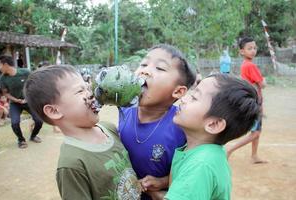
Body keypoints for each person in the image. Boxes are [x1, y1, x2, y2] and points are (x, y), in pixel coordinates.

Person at [23, 65, 141, 200]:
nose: (92, 94)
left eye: (88, 87)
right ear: (54, 111)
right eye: (80, 91)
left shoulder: (109, 128)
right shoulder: (71, 164)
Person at [162, 74, 260, 200]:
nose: (184, 99)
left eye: (194, 97)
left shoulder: (200, 165)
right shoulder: (207, 154)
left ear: (213, 124)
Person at [118, 44, 195, 199]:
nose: (145, 70)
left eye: (160, 68)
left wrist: (163, 182)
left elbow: (188, 173)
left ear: (178, 91)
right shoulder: (124, 109)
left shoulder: (182, 126)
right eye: (143, 64)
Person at [226, 36, 267, 164]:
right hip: (254, 102)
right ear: (242, 51)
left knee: (257, 131)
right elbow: (262, 84)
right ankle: (229, 150)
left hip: (253, 100)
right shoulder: (250, 66)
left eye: (254, 48)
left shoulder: (245, 65)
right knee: (255, 133)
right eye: (249, 48)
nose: (253, 50)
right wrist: (264, 81)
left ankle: (254, 155)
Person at [0, 55, 43, 148]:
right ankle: (21, 140)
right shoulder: (3, 78)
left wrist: (29, 95)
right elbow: (5, 93)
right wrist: (15, 100)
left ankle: (33, 136)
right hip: (15, 104)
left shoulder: (25, 72)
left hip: (28, 101)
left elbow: (34, 84)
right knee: (14, 123)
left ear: (5, 65)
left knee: (39, 120)